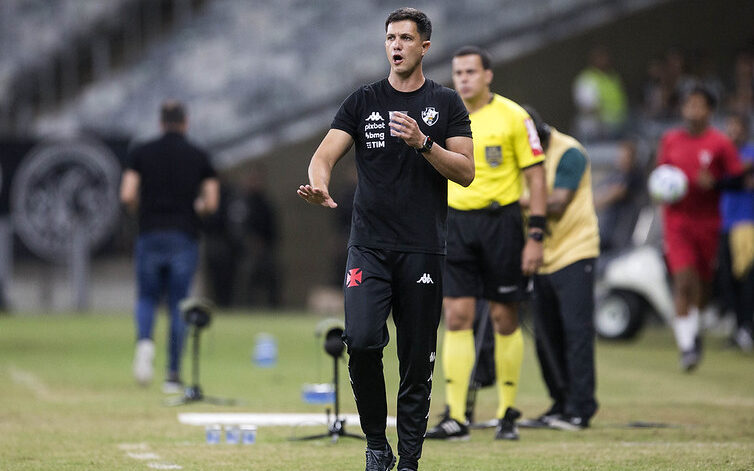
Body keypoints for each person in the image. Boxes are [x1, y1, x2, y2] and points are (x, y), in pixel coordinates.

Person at [297, 9, 473, 471]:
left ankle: (409, 460)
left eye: (405, 38)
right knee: (362, 339)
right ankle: (377, 443)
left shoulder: (447, 104)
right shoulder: (363, 101)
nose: (396, 46)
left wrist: (424, 143)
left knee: (417, 361)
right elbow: (324, 154)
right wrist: (320, 183)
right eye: (390, 38)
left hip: (422, 249)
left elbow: (467, 172)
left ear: (424, 48)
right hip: (369, 247)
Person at [425, 46, 547, 441]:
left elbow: (537, 177)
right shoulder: (443, 113)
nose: (463, 79)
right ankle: (456, 416)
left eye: (471, 72)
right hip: (456, 223)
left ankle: (507, 412)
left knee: (503, 318)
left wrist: (536, 236)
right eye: (458, 72)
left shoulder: (514, 116)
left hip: (502, 223)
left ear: (488, 75)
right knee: (456, 317)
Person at [120, 100, 219, 392]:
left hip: (150, 233)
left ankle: (144, 344)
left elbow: (127, 195)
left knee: (147, 297)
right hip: (183, 236)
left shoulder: (141, 152)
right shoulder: (199, 156)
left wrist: (145, 209)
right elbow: (211, 202)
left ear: (161, 122)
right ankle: (173, 374)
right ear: (185, 122)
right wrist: (195, 208)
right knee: (179, 304)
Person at [519, 106, 600, 431]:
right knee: (545, 336)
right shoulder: (522, 154)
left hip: (575, 251)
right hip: (541, 254)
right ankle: (560, 403)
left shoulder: (569, 153)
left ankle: (581, 408)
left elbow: (558, 201)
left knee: (575, 332)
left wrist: (514, 199)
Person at [655, 86, 745, 371]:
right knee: (684, 281)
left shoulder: (720, 144)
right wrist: (661, 191)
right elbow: (660, 178)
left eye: (698, 105)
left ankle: (694, 331)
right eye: (688, 105)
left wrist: (716, 184)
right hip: (677, 222)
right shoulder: (670, 140)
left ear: (710, 110)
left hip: (708, 223)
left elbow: (739, 181)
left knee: (704, 287)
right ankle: (688, 348)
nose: (692, 110)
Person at [718, 113, 754, 352]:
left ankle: (748, 327)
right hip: (725, 223)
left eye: (736, 127)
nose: (732, 132)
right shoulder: (724, 155)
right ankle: (740, 327)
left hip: (746, 224)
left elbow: (738, 172)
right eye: (729, 127)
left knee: (746, 278)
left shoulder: (748, 153)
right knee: (728, 281)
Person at [594, 140, 645, 253]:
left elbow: (617, 192)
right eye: (620, 155)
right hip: (607, 230)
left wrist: (600, 199)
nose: (621, 159)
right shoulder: (614, 174)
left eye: (625, 156)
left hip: (621, 234)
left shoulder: (634, 176)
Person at [572, 45, 628, 141]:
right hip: (596, 130)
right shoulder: (588, 78)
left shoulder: (612, 76)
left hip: (618, 125)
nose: (604, 60)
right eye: (600, 58)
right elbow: (586, 106)